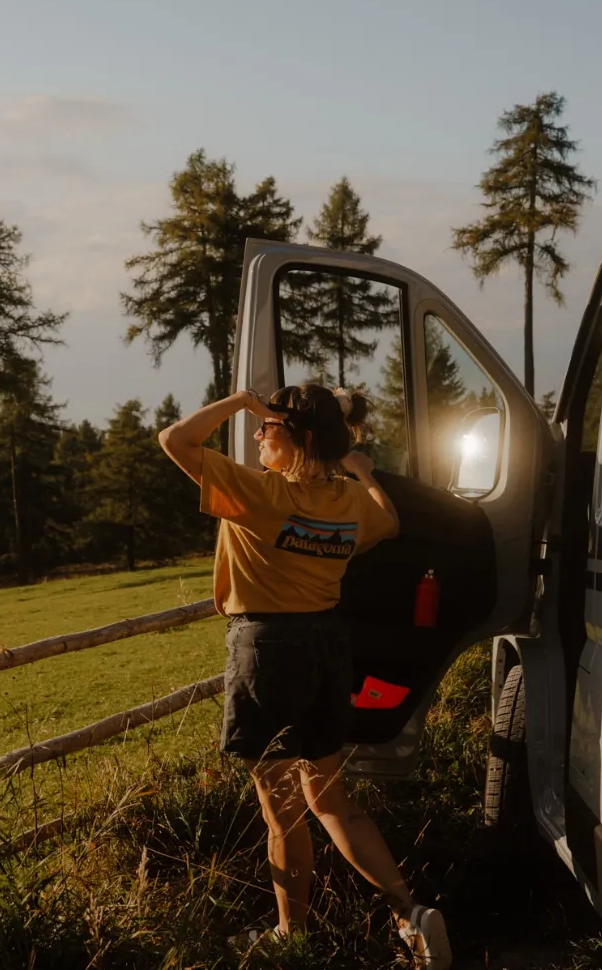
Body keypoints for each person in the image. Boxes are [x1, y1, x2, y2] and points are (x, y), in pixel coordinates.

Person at [157, 383, 451, 968]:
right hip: (327, 647)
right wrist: (361, 470)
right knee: (331, 799)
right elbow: (390, 522)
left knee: (282, 811)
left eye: (268, 427)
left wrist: (241, 400)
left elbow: (174, 439)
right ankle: (411, 912)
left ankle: (292, 937)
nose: (258, 433)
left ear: (298, 439)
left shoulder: (258, 492)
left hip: (267, 652)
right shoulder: (348, 500)